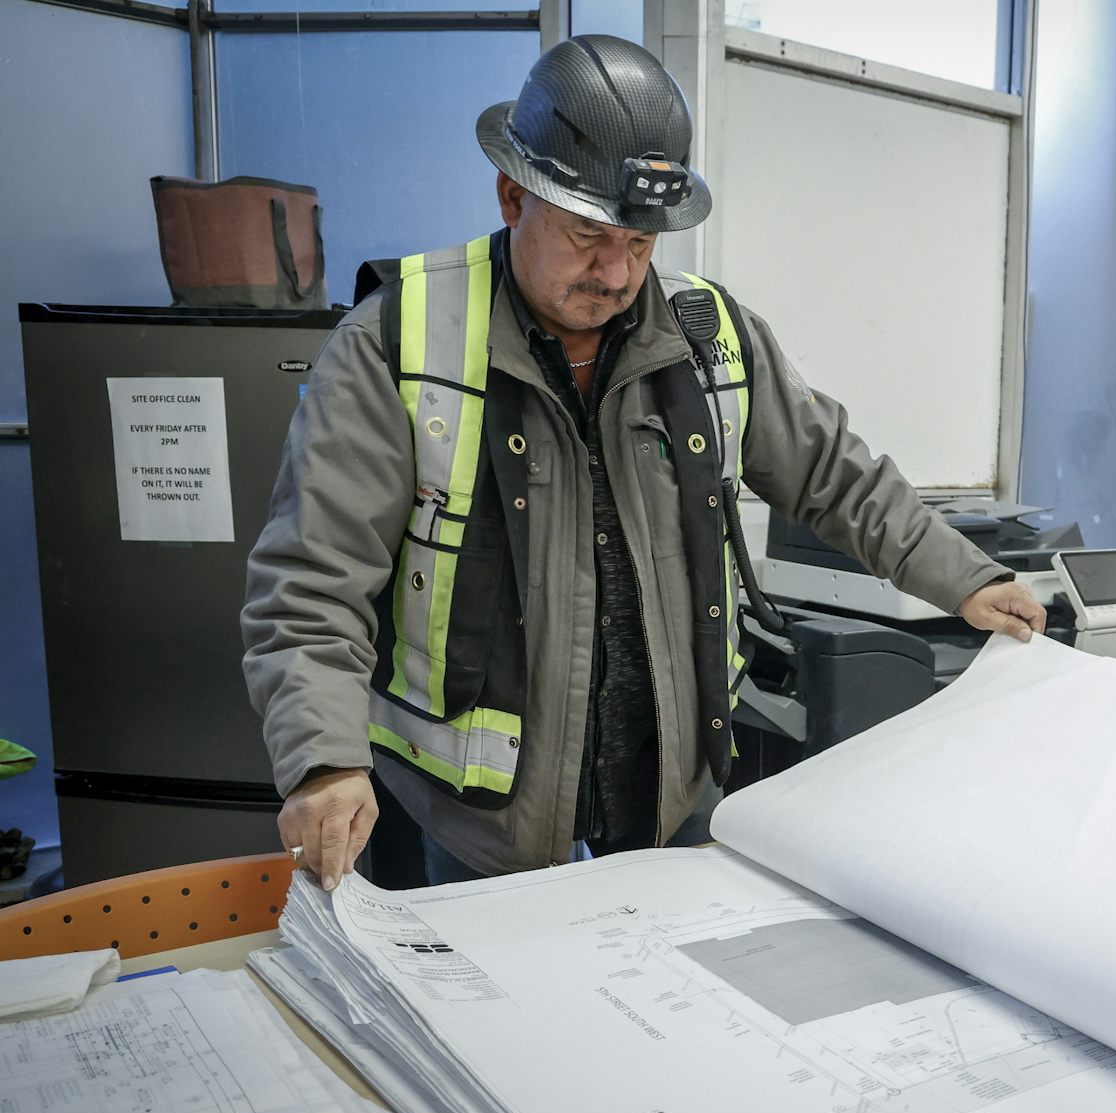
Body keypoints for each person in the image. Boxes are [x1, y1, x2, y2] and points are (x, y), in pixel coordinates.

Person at [241, 34, 1043, 891]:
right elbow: (313, 583)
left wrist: (966, 577)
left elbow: (832, 474)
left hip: (670, 801)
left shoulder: (709, 338)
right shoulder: (398, 343)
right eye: (589, 235)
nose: (616, 271)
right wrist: (324, 760)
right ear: (514, 194)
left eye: (640, 242)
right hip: (472, 826)